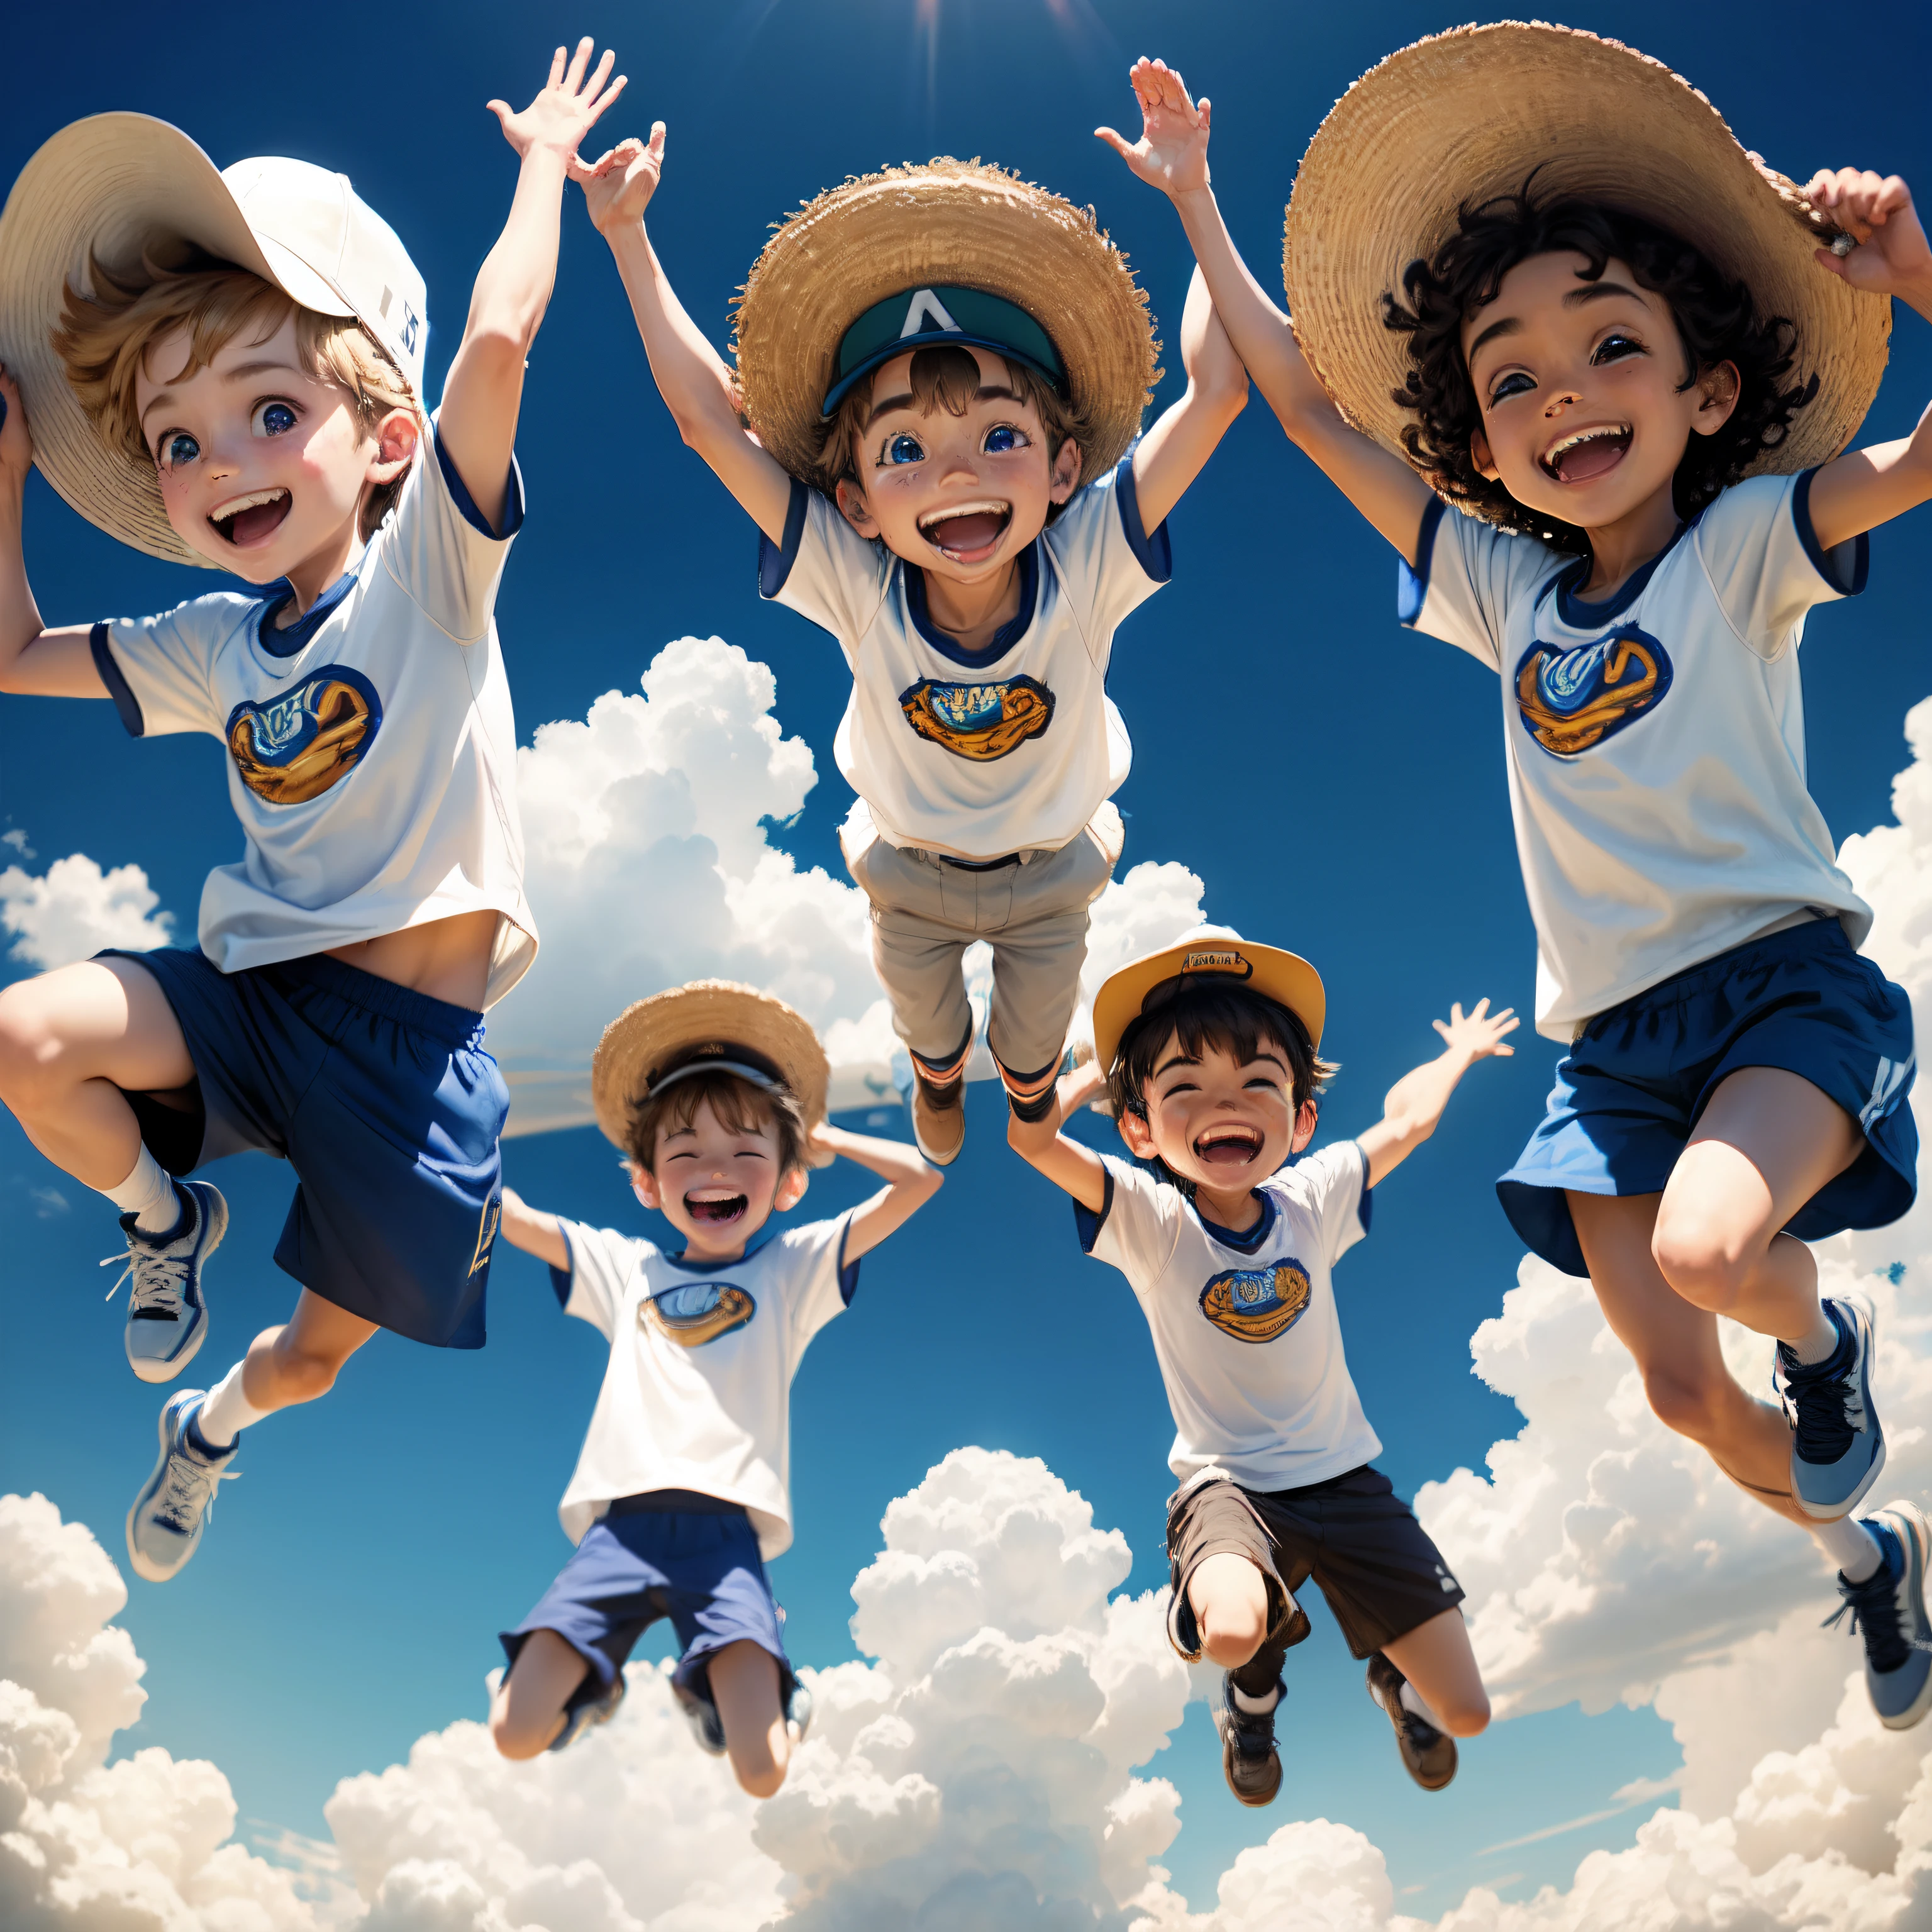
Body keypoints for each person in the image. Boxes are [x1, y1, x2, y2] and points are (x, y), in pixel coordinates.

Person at [1100, 23, 1932, 1728]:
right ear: (1481, 445)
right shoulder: (1506, 598)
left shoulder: (1754, 540)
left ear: (1707, 392)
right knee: (1686, 1403)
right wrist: (1195, 201)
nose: (1563, 393)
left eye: (1611, 346)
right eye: (1513, 375)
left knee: (1712, 1255)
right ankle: (1877, 1563)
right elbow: (1310, 400)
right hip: (1614, 1054)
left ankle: (1827, 1339)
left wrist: (1916, 275)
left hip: (1780, 991)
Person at [0, 40, 626, 1582]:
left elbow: (496, 336)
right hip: (257, 1006)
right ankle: (165, 1219)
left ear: (387, 442)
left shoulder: (431, 575)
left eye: (271, 411)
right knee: (24, 1043)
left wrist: (544, 157)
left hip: (414, 1079)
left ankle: (208, 1433)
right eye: (179, 443)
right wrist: (6, 471)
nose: (221, 464)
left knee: (313, 1360)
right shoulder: (216, 644)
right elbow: (12, 656)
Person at [565, 125, 1248, 1165]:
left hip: (1053, 870)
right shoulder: (856, 578)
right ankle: (941, 1076)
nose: (956, 476)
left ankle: (1023, 1097)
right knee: (930, 1027)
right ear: (858, 505)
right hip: (911, 873)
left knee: (1033, 1042)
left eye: (1000, 438)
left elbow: (1218, 394)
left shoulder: (1088, 560)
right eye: (904, 452)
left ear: (1066, 472)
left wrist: (1196, 200)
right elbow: (712, 425)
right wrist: (627, 238)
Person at [1009, 928, 1515, 1804]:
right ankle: (1251, 1701)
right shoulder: (1152, 1221)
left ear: (1301, 1117)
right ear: (1138, 1127)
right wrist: (1104, 1067)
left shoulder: (1312, 1201)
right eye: (1184, 1090)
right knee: (1235, 1630)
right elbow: (1033, 1141)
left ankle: (1396, 1680)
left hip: (1346, 1486)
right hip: (1231, 1490)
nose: (1223, 1105)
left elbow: (1410, 1122)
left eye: (1256, 1084)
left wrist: (1461, 1054)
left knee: (1465, 1712)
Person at [488, 980, 940, 1794]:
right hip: (619, 1530)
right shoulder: (625, 1269)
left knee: (763, 1773)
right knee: (515, 1734)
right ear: (648, 1183)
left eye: (747, 1153)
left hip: (726, 1536)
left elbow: (920, 1181)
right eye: (685, 1153)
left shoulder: (792, 1269)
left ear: (788, 1181)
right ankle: (603, 1685)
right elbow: (509, 1215)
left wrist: (823, 1134)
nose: (715, 1171)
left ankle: (763, 1694)